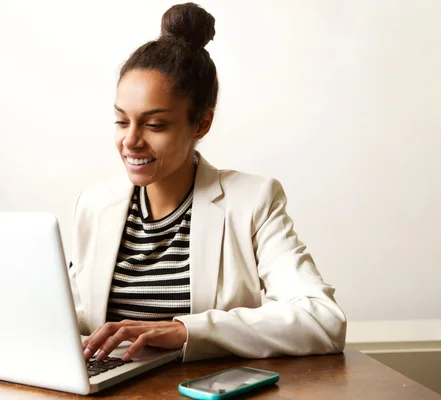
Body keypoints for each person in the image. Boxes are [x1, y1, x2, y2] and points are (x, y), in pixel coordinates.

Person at [68, 2, 346, 363]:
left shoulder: (253, 201)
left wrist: (186, 330)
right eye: (122, 121)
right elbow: (75, 315)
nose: (131, 141)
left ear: (201, 124)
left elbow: (322, 319)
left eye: (154, 125)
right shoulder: (94, 205)